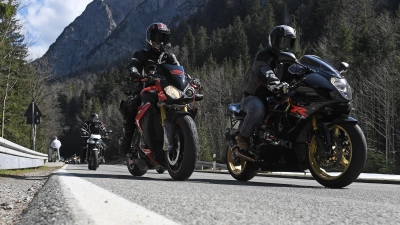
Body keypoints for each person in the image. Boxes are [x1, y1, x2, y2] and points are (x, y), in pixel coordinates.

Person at [118, 22, 201, 156]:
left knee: (186, 102)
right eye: (158, 38)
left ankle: (183, 133)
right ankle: (128, 138)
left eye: (164, 38)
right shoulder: (142, 54)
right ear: (150, 38)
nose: (161, 42)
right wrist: (136, 75)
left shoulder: (170, 57)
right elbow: (133, 66)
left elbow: (180, 72)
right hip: (146, 88)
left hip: (165, 89)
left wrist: (190, 80)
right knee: (132, 104)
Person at [235, 25, 296, 161]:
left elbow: (298, 71)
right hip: (254, 97)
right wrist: (276, 84)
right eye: (281, 41)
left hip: (277, 98)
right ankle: (243, 138)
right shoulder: (264, 55)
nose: (283, 46)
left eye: (288, 42)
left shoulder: (289, 59)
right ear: (273, 41)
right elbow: (264, 71)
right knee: (258, 109)